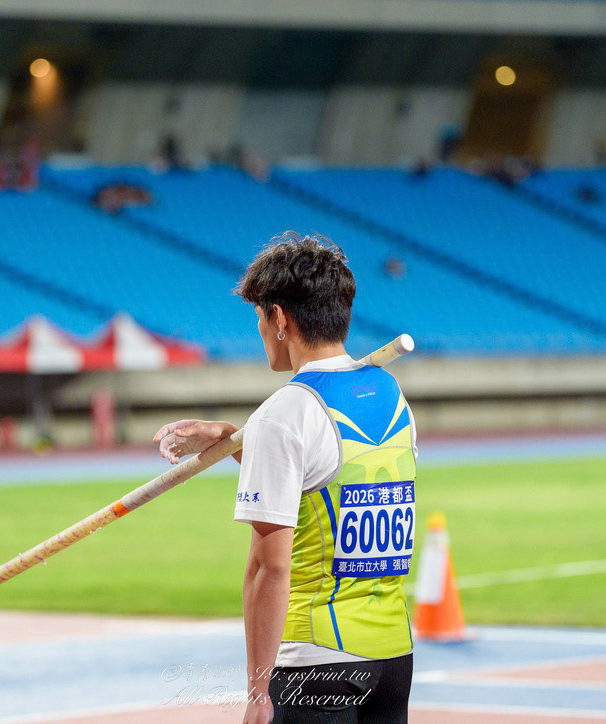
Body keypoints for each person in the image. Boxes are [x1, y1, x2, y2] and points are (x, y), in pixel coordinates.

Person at [152, 233, 417, 723]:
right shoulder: (389, 393)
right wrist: (235, 438)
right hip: (392, 658)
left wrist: (258, 692)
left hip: (315, 660)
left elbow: (267, 569)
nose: (259, 330)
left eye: (258, 317)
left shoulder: (285, 412)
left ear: (278, 318)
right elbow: (327, 479)